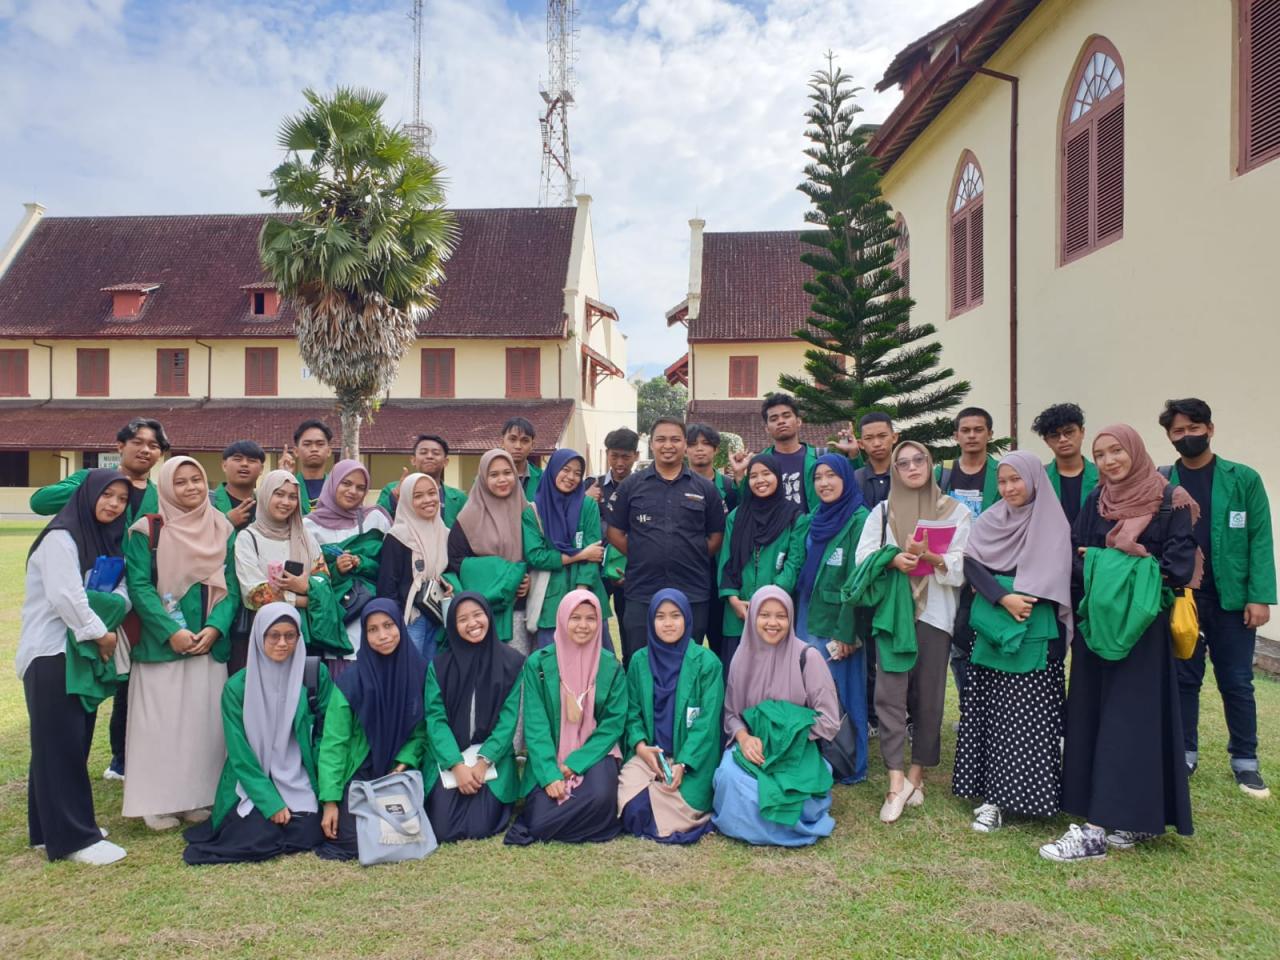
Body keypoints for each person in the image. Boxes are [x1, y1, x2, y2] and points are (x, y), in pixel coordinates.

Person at [1040, 425, 1198, 862]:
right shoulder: (1098, 500)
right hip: (1097, 626)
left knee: (1131, 722)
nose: (1109, 461)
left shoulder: (1170, 500)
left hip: (1142, 629)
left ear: (1135, 451)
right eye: (1101, 454)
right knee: (1092, 716)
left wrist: (1106, 561)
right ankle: (1129, 818)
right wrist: (1118, 561)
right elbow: (1075, 555)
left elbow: (1178, 568)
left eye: (1117, 451)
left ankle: (1097, 831)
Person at [30, 416, 168, 781]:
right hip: (91, 594)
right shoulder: (90, 481)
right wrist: (96, 489)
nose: (145, 450)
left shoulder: (159, 495)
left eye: (154, 445)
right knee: (93, 669)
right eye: (138, 442)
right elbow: (39, 502)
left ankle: (126, 755)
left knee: (134, 676)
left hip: (138, 594)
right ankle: (104, 758)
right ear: (119, 445)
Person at [1159, 398, 1274, 797]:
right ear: (1169, 437)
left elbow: (1260, 538)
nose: (1187, 436)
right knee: (1183, 678)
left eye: (1194, 428)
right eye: (1178, 430)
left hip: (1232, 598)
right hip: (1182, 598)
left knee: (1237, 681)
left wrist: (1259, 597)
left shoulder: (1243, 479)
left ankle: (1245, 761)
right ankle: (1184, 753)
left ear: (1210, 429)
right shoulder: (1163, 480)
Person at [954, 452, 1072, 834]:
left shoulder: (1052, 522)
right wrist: (1002, 596)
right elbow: (971, 562)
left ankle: (1022, 797)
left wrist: (1016, 595)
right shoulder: (991, 519)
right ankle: (991, 796)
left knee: (1026, 721)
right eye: (1002, 481)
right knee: (990, 713)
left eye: (1015, 479)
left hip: (1035, 632)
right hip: (993, 625)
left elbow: (1056, 579)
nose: (1008, 488)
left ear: (1034, 479)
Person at [19, 469, 132, 864]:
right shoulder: (61, 537)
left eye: (122, 499)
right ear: (86, 496)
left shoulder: (102, 539)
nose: (114, 504)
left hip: (75, 654)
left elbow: (121, 591)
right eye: (107, 495)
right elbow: (66, 596)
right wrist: (102, 633)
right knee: (60, 746)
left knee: (64, 743)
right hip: (52, 654)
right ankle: (73, 840)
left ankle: (46, 831)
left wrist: (110, 608)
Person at [855, 441, 970, 824]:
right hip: (893, 615)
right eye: (903, 463)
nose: (912, 467)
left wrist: (931, 557)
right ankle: (895, 780)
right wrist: (893, 560)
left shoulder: (956, 511)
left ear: (931, 464)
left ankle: (917, 775)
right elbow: (862, 558)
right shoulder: (881, 512)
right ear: (895, 471)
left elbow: (963, 566)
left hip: (935, 615)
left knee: (929, 698)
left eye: (919, 460)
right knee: (889, 695)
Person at [123, 456, 241, 831]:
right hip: (162, 645)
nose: (191, 487)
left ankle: (195, 797)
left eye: (196, 480)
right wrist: (169, 631)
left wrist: (216, 628)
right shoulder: (146, 530)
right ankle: (155, 803)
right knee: (159, 724)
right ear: (167, 487)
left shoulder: (222, 527)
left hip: (208, 641)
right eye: (181, 481)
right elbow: (139, 585)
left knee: (202, 724)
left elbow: (232, 585)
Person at [182, 604, 331, 865]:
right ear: (259, 636)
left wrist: (328, 796)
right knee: (256, 836)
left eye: (290, 636)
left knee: (308, 833)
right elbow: (239, 753)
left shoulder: (313, 676)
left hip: (297, 775)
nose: (282, 643)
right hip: (252, 778)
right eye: (274, 636)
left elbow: (327, 736)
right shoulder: (237, 688)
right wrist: (270, 801)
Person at [711, 586, 841, 847]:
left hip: (796, 750)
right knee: (728, 777)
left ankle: (766, 824)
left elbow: (829, 721)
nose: (772, 623)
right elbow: (732, 714)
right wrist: (744, 738)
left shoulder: (808, 657)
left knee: (790, 792)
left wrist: (785, 733)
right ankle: (764, 824)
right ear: (752, 617)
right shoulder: (741, 657)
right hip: (754, 747)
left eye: (781, 616)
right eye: (764, 615)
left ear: (791, 618)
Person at [505, 591, 625, 845]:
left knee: (601, 798)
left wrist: (575, 763)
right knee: (538, 819)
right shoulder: (538, 663)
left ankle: (563, 821)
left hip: (595, 752)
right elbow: (536, 725)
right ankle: (569, 822)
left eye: (591, 618)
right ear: (562, 619)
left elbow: (612, 725)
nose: (583, 625)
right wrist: (550, 774)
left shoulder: (610, 666)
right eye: (575, 617)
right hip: (550, 753)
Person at [606, 417, 726, 666]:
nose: (668, 445)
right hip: (642, 590)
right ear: (651, 444)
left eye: (675, 439)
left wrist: (691, 554)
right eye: (661, 439)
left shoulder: (705, 488)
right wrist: (640, 553)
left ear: (684, 445)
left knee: (688, 663)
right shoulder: (631, 486)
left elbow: (716, 536)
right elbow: (614, 532)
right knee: (639, 662)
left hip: (692, 590)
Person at [315, 600, 428, 861]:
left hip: (399, 771)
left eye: (388, 625)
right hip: (360, 770)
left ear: (400, 625)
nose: (383, 636)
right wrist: (330, 801)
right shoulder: (350, 682)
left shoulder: (420, 672)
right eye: (373, 630)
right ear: (364, 635)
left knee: (403, 832)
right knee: (350, 841)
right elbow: (334, 744)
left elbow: (422, 730)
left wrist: (403, 763)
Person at [618, 589, 724, 844]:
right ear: (651, 621)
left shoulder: (707, 663)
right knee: (633, 810)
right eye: (660, 616)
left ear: (687, 619)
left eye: (675, 616)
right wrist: (641, 747)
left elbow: (706, 725)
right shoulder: (639, 661)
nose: (668, 623)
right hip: (650, 756)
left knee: (658, 815)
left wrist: (683, 763)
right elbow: (632, 712)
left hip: (692, 762)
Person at [419, 594, 525, 842]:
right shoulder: (439, 666)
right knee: (443, 827)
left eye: (478, 615)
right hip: (450, 756)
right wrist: (456, 765)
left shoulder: (512, 663)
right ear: (452, 625)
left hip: (491, 758)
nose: (473, 623)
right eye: (462, 619)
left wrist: (483, 762)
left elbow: (508, 721)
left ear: (488, 616)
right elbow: (435, 719)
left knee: (480, 825)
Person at [794, 453, 871, 784]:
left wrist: (848, 631)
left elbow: (859, 580)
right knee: (808, 687)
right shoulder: (814, 517)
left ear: (846, 478)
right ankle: (814, 755)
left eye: (831, 476)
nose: (824, 483)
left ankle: (849, 762)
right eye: (817, 477)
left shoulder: (860, 519)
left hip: (839, 621)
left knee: (842, 691)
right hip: (806, 613)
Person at [235, 470, 339, 673]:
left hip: (306, 631)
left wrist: (306, 586)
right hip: (269, 633)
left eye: (292, 497)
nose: (286, 502)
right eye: (279, 494)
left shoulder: (305, 536)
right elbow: (255, 594)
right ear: (265, 495)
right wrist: (304, 599)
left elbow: (324, 578)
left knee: (305, 684)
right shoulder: (248, 538)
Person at [716, 454, 809, 668]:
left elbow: (794, 563)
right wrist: (733, 599)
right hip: (739, 611)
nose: (760, 480)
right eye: (753, 476)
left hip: (775, 612)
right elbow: (726, 561)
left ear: (778, 476)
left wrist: (770, 598)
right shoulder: (736, 517)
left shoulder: (795, 517)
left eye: (766, 473)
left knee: (774, 672)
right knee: (738, 673)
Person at [935, 407, 999, 706]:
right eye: (965, 430)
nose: (972, 435)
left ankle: (988, 707)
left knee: (985, 640)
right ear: (956, 435)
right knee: (956, 643)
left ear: (990, 434)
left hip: (987, 571)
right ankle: (968, 707)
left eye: (978, 429)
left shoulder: (1001, 474)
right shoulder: (942, 474)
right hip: (948, 569)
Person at [302, 460, 391, 669]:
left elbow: (390, 567)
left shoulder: (375, 519)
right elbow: (308, 577)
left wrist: (362, 563)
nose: (353, 491)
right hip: (333, 617)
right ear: (333, 483)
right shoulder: (309, 526)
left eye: (360, 487)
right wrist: (336, 570)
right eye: (346, 483)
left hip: (372, 614)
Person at [447, 449, 533, 653]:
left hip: (519, 608)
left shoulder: (528, 512)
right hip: (481, 611)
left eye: (507, 473)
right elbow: (456, 561)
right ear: (483, 478)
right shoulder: (467, 518)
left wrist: (529, 578)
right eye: (494, 475)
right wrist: (506, 575)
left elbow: (536, 554)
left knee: (517, 664)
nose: (502, 479)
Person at [526, 448, 609, 649]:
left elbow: (594, 552)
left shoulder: (587, 505)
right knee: (552, 660)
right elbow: (536, 556)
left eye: (577, 473)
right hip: (551, 601)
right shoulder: (533, 511)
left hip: (588, 595)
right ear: (553, 469)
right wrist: (580, 555)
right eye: (565, 469)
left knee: (595, 660)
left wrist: (581, 595)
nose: (571, 477)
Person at [377, 473, 452, 661]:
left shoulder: (445, 533)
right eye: (418, 496)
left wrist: (448, 584)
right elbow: (387, 587)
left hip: (438, 617)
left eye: (432, 493)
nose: (428, 500)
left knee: (433, 673)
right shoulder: (397, 537)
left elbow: (450, 571)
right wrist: (392, 624)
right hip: (410, 619)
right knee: (410, 670)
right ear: (406, 501)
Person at [729, 393, 817, 510]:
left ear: (798, 421)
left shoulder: (818, 458)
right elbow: (748, 504)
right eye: (774, 419)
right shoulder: (759, 463)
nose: (781, 421)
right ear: (767, 428)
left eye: (786, 416)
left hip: (812, 522)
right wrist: (739, 475)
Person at [590, 427, 640, 632]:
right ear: (607, 454)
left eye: (626, 457)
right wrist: (584, 500)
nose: (620, 463)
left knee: (629, 627)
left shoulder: (643, 487)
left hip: (626, 569)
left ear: (636, 456)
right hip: (594, 568)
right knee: (591, 623)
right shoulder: (592, 485)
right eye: (614, 456)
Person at [375, 434, 468, 526]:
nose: (429, 456)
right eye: (423, 452)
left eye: (436, 453)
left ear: (445, 462)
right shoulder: (392, 489)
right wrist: (394, 498)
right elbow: (377, 521)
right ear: (413, 460)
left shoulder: (460, 498)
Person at [1031, 403, 1097, 525]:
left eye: (1069, 432)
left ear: (1082, 432)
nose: (1063, 439)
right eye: (1054, 435)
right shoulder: (1038, 479)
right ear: (1046, 441)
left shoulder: (1103, 475)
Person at [281, 420, 334, 515]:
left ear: (329, 451)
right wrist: (283, 479)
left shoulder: (336, 489)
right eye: (307, 444)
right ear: (296, 451)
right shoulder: (289, 486)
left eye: (320, 444)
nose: (314, 449)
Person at [211, 440, 265, 531]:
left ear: (261, 469)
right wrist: (227, 522)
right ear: (224, 465)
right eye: (237, 459)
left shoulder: (266, 505)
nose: (244, 464)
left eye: (252, 460)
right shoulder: (207, 502)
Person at [851, 412, 898, 509]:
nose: (877, 443)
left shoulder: (907, 473)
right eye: (869, 438)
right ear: (861, 444)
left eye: (882, 436)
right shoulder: (855, 479)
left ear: (894, 437)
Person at [500, 416, 543, 498]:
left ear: (532, 445)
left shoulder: (543, 479)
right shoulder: (487, 478)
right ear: (502, 442)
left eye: (525, 441)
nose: (518, 446)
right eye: (512, 439)